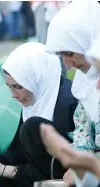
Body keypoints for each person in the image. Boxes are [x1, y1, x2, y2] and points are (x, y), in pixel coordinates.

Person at [0, 42, 78, 187]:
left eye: (18, 86)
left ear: (37, 77)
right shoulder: (37, 100)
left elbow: (57, 171)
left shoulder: (70, 103)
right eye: (10, 87)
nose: (13, 95)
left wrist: (4, 170)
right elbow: (20, 153)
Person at [45, 0, 100, 185]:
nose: (67, 65)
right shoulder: (83, 80)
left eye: (69, 53)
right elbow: (82, 130)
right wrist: (77, 165)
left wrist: (86, 166)